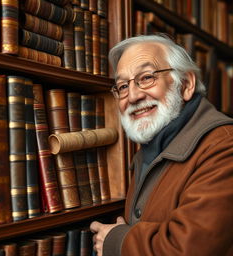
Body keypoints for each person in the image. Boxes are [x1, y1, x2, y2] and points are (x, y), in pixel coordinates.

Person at [90, 34, 233, 256]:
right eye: (122, 86)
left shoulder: (225, 146)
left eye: (146, 77)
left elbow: (190, 249)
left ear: (185, 84)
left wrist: (116, 241)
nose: (133, 96)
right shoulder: (149, 150)